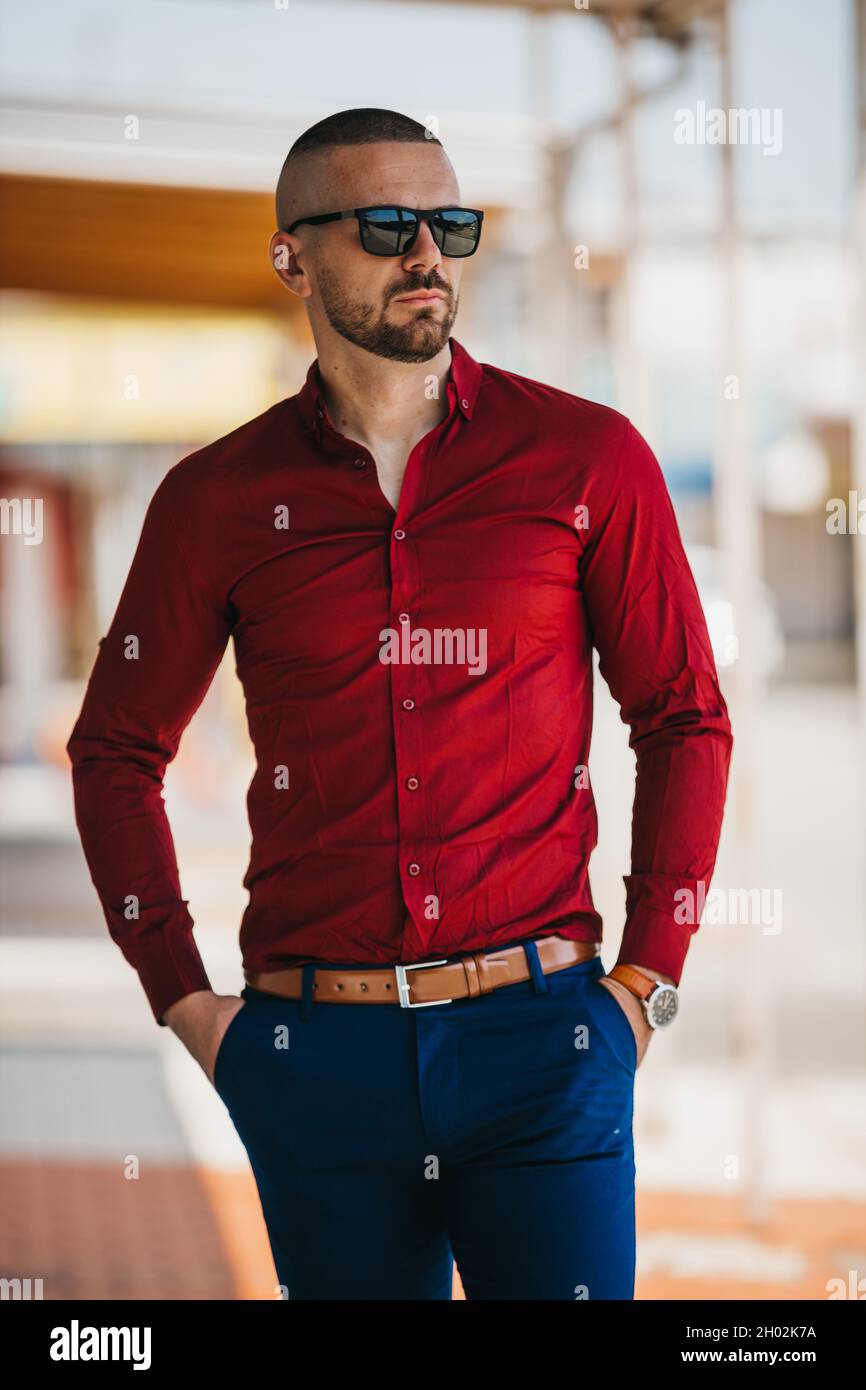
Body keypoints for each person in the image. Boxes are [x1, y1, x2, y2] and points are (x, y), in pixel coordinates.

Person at [67, 107, 733, 1300]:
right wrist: (182, 995)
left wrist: (643, 983)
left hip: (544, 1042)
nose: (426, 251)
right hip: (315, 1053)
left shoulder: (587, 460)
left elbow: (682, 713)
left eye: (449, 223)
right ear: (293, 257)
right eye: (383, 225)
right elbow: (116, 748)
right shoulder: (215, 498)